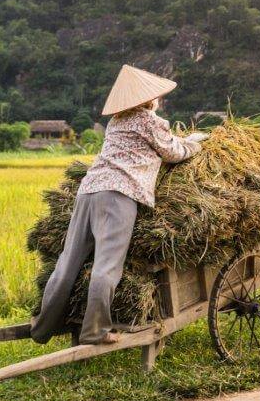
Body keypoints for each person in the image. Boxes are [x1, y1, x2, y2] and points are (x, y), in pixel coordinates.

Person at [31, 65, 207, 345]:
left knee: (68, 262)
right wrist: (195, 143)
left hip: (88, 191)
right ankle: (95, 331)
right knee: (107, 266)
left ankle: (42, 326)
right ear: (148, 99)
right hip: (118, 195)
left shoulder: (116, 121)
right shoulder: (150, 121)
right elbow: (173, 152)